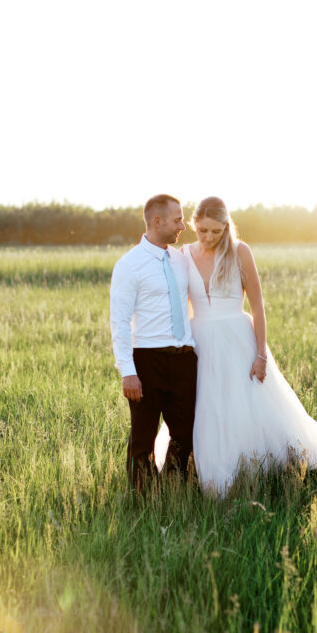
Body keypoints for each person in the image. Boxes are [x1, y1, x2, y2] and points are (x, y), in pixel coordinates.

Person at [155, 196, 317, 492]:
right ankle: (208, 472)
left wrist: (261, 354)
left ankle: (254, 466)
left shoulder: (241, 252)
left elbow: (258, 306)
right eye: (203, 230)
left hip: (238, 338)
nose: (209, 237)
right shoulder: (182, 255)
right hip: (198, 339)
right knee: (205, 405)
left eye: (216, 231)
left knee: (246, 403)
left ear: (226, 226)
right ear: (193, 225)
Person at [109, 194, 198, 492]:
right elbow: (119, 322)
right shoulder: (129, 265)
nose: (183, 226)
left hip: (185, 359)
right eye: (177, 220)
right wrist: (127, 371)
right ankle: (142, 500)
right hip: (147, 361)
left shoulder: (182, 260)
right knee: (143, 438)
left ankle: (172, 487)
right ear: (157, 221)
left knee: (186, 432)